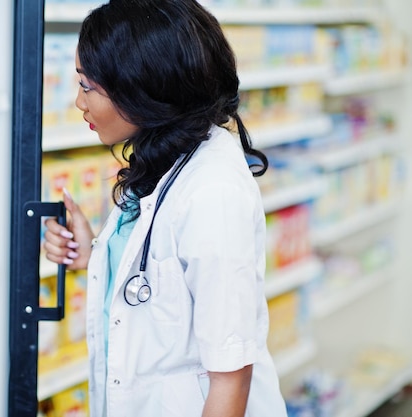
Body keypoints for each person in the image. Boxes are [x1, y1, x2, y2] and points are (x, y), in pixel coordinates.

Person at [43, 0, 288, 416]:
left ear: (142, 85)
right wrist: (97, 253)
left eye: (87, 86)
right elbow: (165, 285)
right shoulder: (166, 155)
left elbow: (231, 375)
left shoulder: (213, 192)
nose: (78, 103)